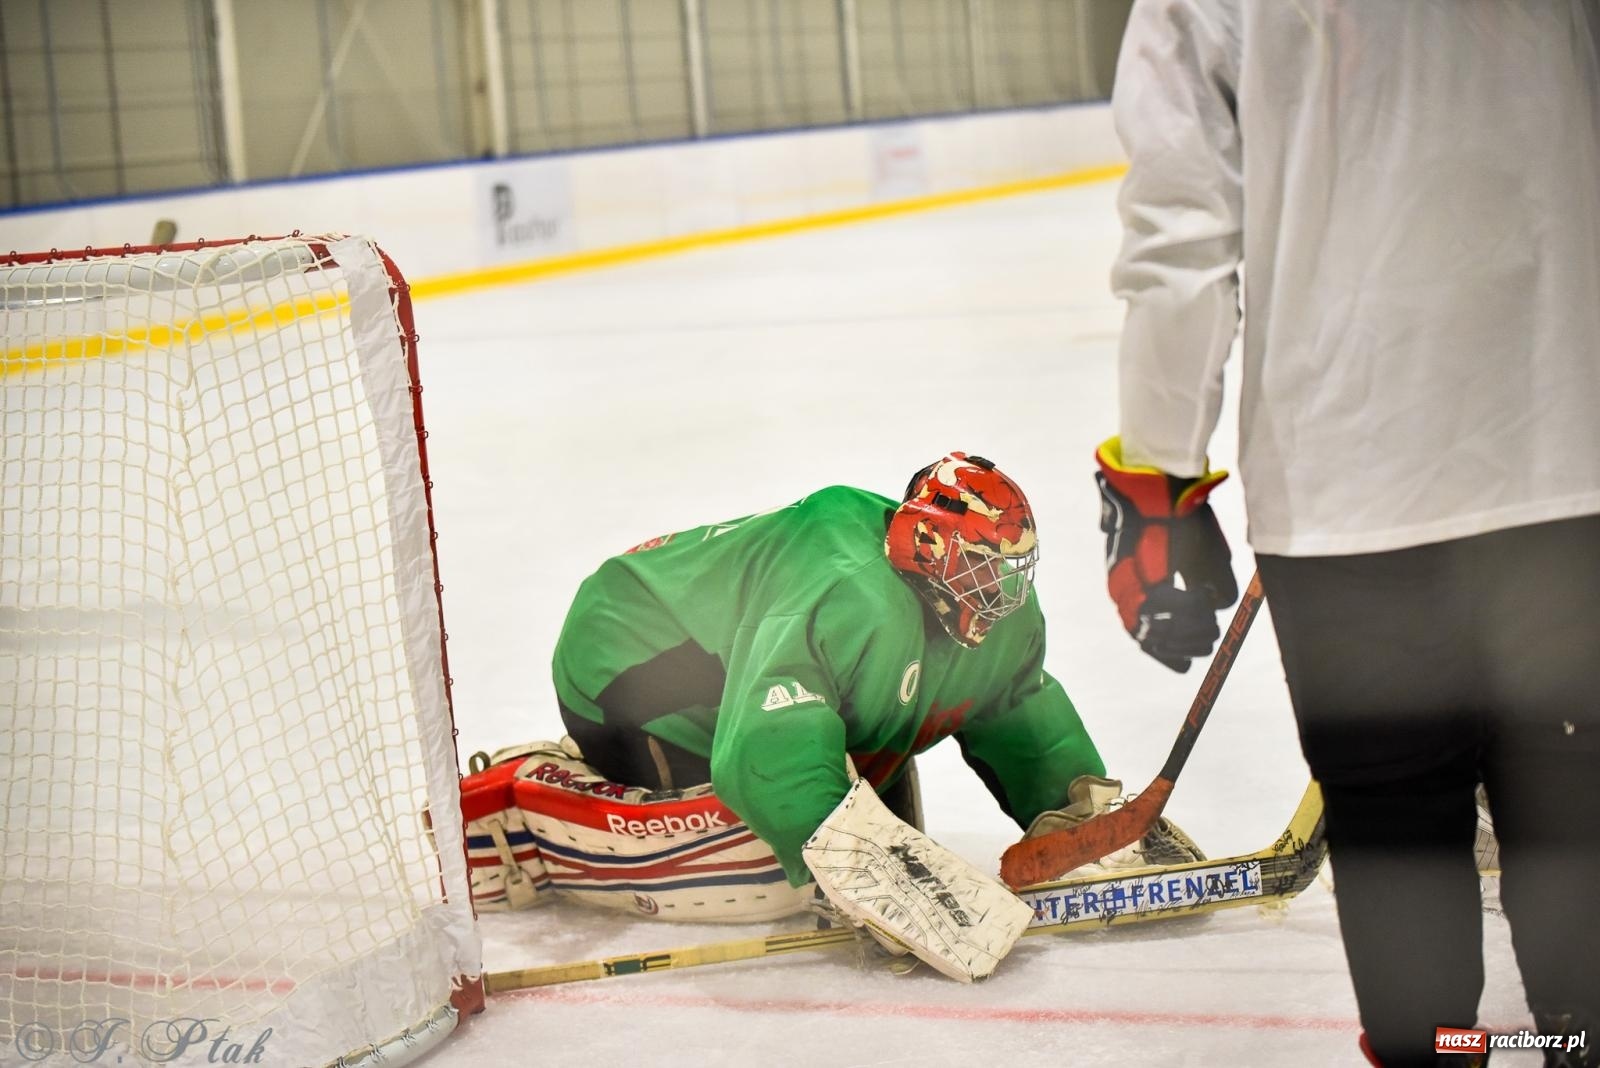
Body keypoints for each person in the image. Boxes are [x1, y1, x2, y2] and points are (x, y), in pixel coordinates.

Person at [1097, 2, 1600, 1065]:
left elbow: (1179, 236)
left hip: (1348, 488)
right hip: (1570, 459)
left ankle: (1435, 1053)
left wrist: (1160, 482)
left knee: (1396, 830)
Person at [460, 452, 1202, 980]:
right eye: (984, 570)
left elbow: (1015, 703)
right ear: (930, 548)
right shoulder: (846, 586)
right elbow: (767, 740)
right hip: (629, 655)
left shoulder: (985, 609)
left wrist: (1080, 813)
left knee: (865, 799)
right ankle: (536, 803)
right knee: (757, 875)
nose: (1002, 593)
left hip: (748, 668)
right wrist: (856, 862)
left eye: (1011, 572)